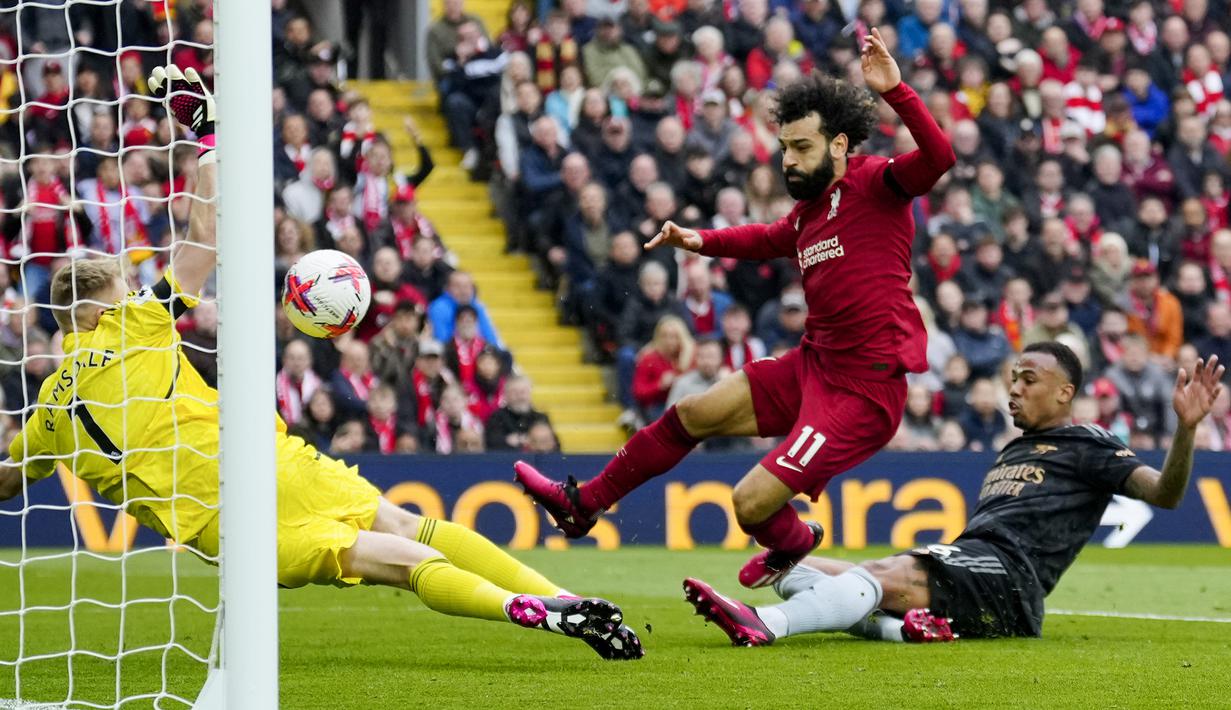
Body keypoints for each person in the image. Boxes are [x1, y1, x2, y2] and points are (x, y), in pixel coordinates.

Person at [0, 66, 642, 661]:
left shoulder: (48, 415)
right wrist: (208, 136)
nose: (130, 294)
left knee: (393, 560)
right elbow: (204, 234)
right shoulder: (136, 322)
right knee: (411, 527)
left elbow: (7, 482)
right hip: (265, 465)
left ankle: (527, 609)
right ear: (95, 310)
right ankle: (557, 596)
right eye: (120, 288)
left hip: (225, 528)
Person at [515, 29, 956, 589]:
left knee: (749, 505)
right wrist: (700, 240)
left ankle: (793, 542)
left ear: (840, 145)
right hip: (814, 366)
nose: (788, 162)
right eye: (784, 149)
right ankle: (586, 503)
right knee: (695, 412)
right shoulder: (806, 216)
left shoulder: (879, 185)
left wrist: (897, 91)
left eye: (802, 149)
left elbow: (940, 156)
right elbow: (765, 236)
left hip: (863, 392)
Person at [682, 342, 1224, 645]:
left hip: (1012, 581)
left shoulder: (1089, 443)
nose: (1014, 388)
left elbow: (1166, 494)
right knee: (803, 572)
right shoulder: (1013, 450)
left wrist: (1186, 429)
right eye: (1012, 378)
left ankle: (765, 626)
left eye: (1028, 379)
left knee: (875, 577)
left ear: (1065, 392)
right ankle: (906, 632)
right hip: (975, 563)